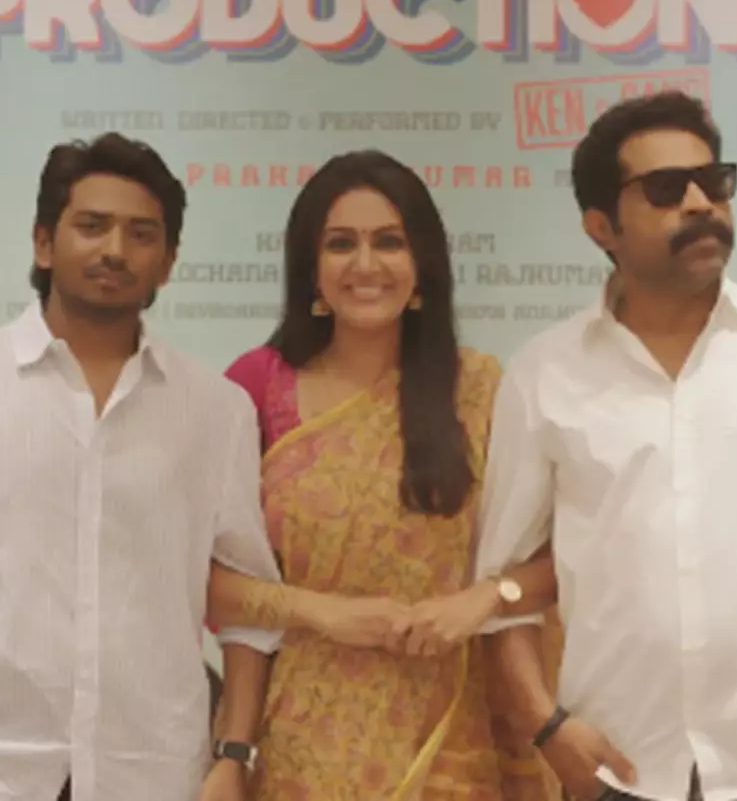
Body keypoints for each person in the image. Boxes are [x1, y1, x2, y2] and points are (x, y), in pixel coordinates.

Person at [474, 91, 737, 801]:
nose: (702, 203)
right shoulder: (542, 374)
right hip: (619, 772)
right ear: (600, 226)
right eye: (667, 189)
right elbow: (504, 580)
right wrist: (547, 729)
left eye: (714, 181)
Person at [0, 133, 282, 801]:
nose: (115, 250)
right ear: (44, 242)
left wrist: (234, 754)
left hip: (157, 777)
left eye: (141, 234)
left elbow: (250, 605)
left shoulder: (218, 410)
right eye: (92, 226)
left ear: (167, 263)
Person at [206, 150, 562, 800]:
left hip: (451, 743)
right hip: (296, 750)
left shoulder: (481, 390)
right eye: (341, 243)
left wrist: (485, 598)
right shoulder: (255, 387)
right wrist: (322, 612)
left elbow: (555, 564)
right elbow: (207, 580)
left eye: (389, 242)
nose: (366, 264)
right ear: (310, 268)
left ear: (422, 264)